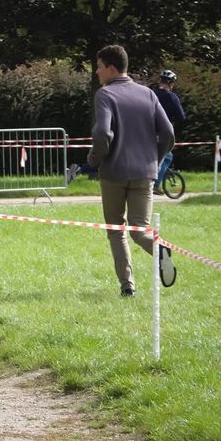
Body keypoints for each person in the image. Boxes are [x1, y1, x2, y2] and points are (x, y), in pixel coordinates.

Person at [88, 45, 177, 297]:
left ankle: (128, 286)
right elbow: (169, 134)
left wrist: (94, 159)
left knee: (116, 230)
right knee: (140, 230)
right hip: (145, 173)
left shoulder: (104, 95)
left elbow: (103, 133)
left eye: (99, 66)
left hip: (114, 173)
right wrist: (156, 161)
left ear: (111, 68)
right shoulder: (149, 94)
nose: (97, 72)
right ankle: (160, 251)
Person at [151, 69, 186, 193]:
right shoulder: (171, 97)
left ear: (159, 80)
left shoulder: (151, 94)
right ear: (172, 84)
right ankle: (155, 184)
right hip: (163, 133)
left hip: (146, 131)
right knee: (166, 157)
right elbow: (181, 117)